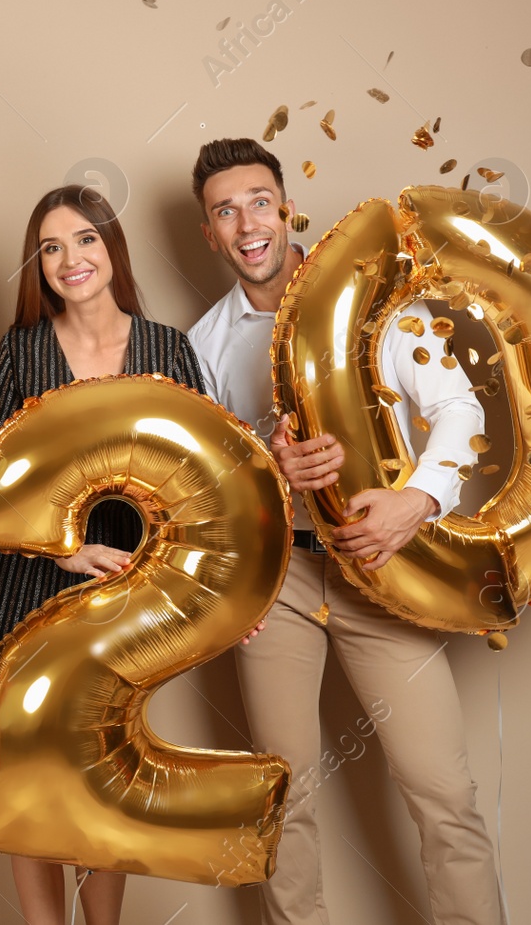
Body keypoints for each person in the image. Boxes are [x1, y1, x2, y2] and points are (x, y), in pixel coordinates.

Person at [185, 137, 502, 925]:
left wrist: (417, 500)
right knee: (284, 801)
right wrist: (267, 466)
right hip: (279, 583)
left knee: (444, 793)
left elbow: (462, 407)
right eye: (225, 211)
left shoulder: (377, 300)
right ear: (208, 234)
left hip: (382, 565)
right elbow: (207, 488)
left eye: (259, 200)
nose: (247, 223)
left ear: (286, 205)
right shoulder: (201, 344)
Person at [0, 184, 205, 925]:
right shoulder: (23, 350)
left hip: (128, 599)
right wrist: (63, 547)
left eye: (85, 240)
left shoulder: (168, 348)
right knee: (24, 778)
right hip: (25, 590)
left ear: (111, 249)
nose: (71, 259)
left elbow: (207, 487)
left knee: (105, 773)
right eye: (51, 248)